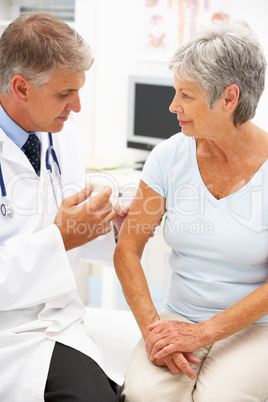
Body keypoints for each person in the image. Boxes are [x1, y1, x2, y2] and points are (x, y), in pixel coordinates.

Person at [114, 20, 268, 402]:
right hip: (176, 318)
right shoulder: (168, 156)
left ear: (229, 98)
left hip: (255, 326)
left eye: (186, 94)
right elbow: (127, 249)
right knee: (144, 396)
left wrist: (206, 333)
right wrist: (155, 331)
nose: (172, 106)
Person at [0, 12, 128, 402]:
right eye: (63, 93)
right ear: (21, 87)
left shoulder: (62, 135)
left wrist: (107, 224)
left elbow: (67, 235)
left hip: (58, 323)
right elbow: (57, 237)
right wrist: (61, 236)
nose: (76, 105)